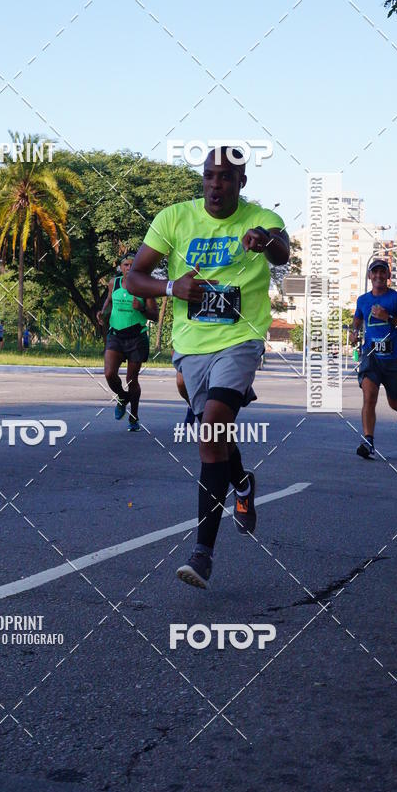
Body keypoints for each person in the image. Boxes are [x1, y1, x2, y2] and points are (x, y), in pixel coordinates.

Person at [127, 146, 289, 588]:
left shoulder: (261, 218)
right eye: (208, 176)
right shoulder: (174, 218)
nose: (215, 184)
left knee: (211, 429)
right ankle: (241, 481)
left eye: (225, 177)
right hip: (192, 347)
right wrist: (169, 286)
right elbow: (133, 277)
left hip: (240, 338)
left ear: (241, 182)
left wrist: (265, 240)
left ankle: (202, 555)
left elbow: (282, 254)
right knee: (217, 440)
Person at [350, 259, 397, 458]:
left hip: (394, 359)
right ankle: (368, 441)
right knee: (369, 397)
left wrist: (389, 318)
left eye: (382, 272)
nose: (378, 276)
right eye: (374, 272)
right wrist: (353, 332)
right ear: (369, 276)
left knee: (394, 401)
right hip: (372, 356)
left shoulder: (396, 299)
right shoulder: (362, 300)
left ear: (388, 276)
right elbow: (358, 318)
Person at [97, 252, 159, 431]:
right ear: (121, 268)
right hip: (115, 335)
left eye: (133, 265)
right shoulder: (113, 283)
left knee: (132, 379)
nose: (129, 268)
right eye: (126, 265)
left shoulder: (144, 287)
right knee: (109, 374)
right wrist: (102, 313)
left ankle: (134, 416)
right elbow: (109, 302)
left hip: (136, 337)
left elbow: (154, 315)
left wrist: (142, 309)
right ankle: (122, 397)